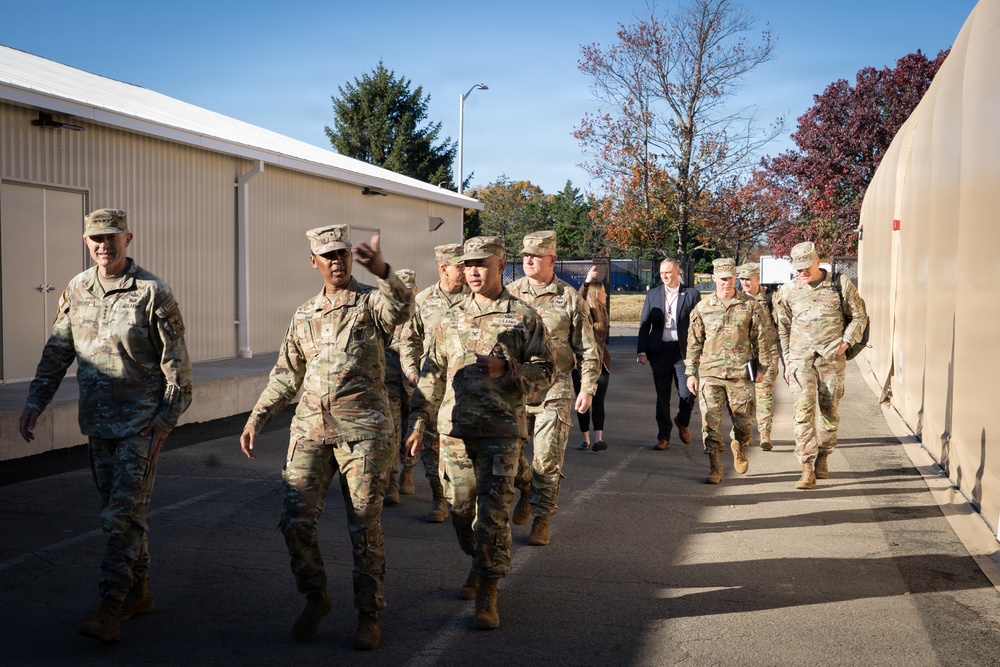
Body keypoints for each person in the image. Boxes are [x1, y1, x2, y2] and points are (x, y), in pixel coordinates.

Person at [18, 208, 193, 643]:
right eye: (96, 238)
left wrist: (164, 423)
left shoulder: (153, 293)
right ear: (86, 241)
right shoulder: (77, 289)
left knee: (120, 517)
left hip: (140, 426)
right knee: (124, 517)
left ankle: (110, 607)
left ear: (127, 239)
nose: (104, 245)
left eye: (112, 237)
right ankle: (139, 591)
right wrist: (35, 401)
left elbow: (179, 372)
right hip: (97, 424)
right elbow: (58, 350)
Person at [239, 225, 414, 650]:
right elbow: (286, 375)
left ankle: (369, 614)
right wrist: (257, 417)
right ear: (313, 261)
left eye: (342, 253)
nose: (337, 261)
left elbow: (403, 308)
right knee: (295, 521)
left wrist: (384, 271)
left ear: (351, 259)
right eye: (328, 255)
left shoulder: (371, 303)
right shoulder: (304, 315)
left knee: (363, 526)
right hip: (310, 432)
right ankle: (316, 596)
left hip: (364, 433)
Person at [404, 236, 554, 630]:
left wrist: (509, 372)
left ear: (501, 265)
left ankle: (488, 590)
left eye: (481, 264)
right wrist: (418, 421)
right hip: (455, 432)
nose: (472, 270)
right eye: (467, 264)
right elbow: (432, 374)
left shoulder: (522, 316)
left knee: (492, 516)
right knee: (459, 511)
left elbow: (546, 370)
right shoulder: (448, 317)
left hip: (502, 431)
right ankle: (478, 560)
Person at [506, 231, 599, 547]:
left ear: (552, 260)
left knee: (547, 459)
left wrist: (587, 388)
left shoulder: (569, 298)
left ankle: (541, 518)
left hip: (554, 389)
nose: (528, 260)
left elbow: (587, 347)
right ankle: (526, 486)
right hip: (514, 390)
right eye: (525, 256)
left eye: (535, 255)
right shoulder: (508, 295)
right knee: (511, 457)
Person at [775, 241, 868, 490]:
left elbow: (859, 316)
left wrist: (847, 341)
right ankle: (806, 467)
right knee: (803, 412)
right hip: (800, 361)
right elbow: (783, 327)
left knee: (829, 412)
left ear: (818, 261)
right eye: (798, 268)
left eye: (806, 267)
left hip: (831, 361)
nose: (802, 272)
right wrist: (787, 361)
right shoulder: (788, 291)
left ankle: (824, 456)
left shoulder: (840, 284)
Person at [399, 243, 469, 523]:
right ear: (443, 268)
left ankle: (462, 497)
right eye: (460, 266)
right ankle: (439, 498)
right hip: (432, 384)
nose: (466, 271)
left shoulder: (476, 299)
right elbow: (408, 340)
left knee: (462, 445)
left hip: (465, 387)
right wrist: (412, 370)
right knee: (430, 442)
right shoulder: (424, 301)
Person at [685, 258, 772, 483]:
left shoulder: (749, 305)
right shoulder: (703, 308)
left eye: (731, 279)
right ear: (713, 278)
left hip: (740, 374)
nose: (727, 283)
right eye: (722, 279)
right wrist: (690, 373)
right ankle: (715, 466)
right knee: (710, 422)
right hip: (710, 374)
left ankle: (738, 444)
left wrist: (762, 367)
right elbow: (694, 342)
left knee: (744, 424)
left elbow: (761, 338)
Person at [637, 258, 701, 449]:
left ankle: (682, 421)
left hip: (683, 352)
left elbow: (699, 327)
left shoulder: (691, 294)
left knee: (688, 393)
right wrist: (641, 350)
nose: (664, 276)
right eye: (662, 273)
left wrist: (699, 353)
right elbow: (644, 324)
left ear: (677, 272)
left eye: (668, 272)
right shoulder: (654, 294)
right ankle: (663, 436)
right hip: (660, 351)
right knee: (662, 396)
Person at [383, 268, 419, 507]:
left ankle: (408, 472)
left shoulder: (423, 313)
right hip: (389, 381)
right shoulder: (386, 314)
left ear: (415, 290)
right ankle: (391, 481)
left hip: (416, 385)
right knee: (391, 432)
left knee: (412, 431)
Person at [737, 262, 781, 451]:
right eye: (742, 279)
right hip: (743, 355)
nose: (745, 283)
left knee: (764, 395)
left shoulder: (770, 298)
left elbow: (782, 325)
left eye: (748, 278)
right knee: (745, 396)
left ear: (757, 278)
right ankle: (747, 434)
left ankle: (765, 433)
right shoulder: (736, 299)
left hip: (767, 354)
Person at [573, 265, 612, 452]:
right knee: (583, 400)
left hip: (602, 363)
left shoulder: (603, 312)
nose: (606, 295)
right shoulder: (584, 310)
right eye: (604, 292)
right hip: (580, 364)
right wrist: (587, 282)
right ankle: (585, 439)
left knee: (599, 400)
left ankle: (598, 439)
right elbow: (578, 297)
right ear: (596, 293)